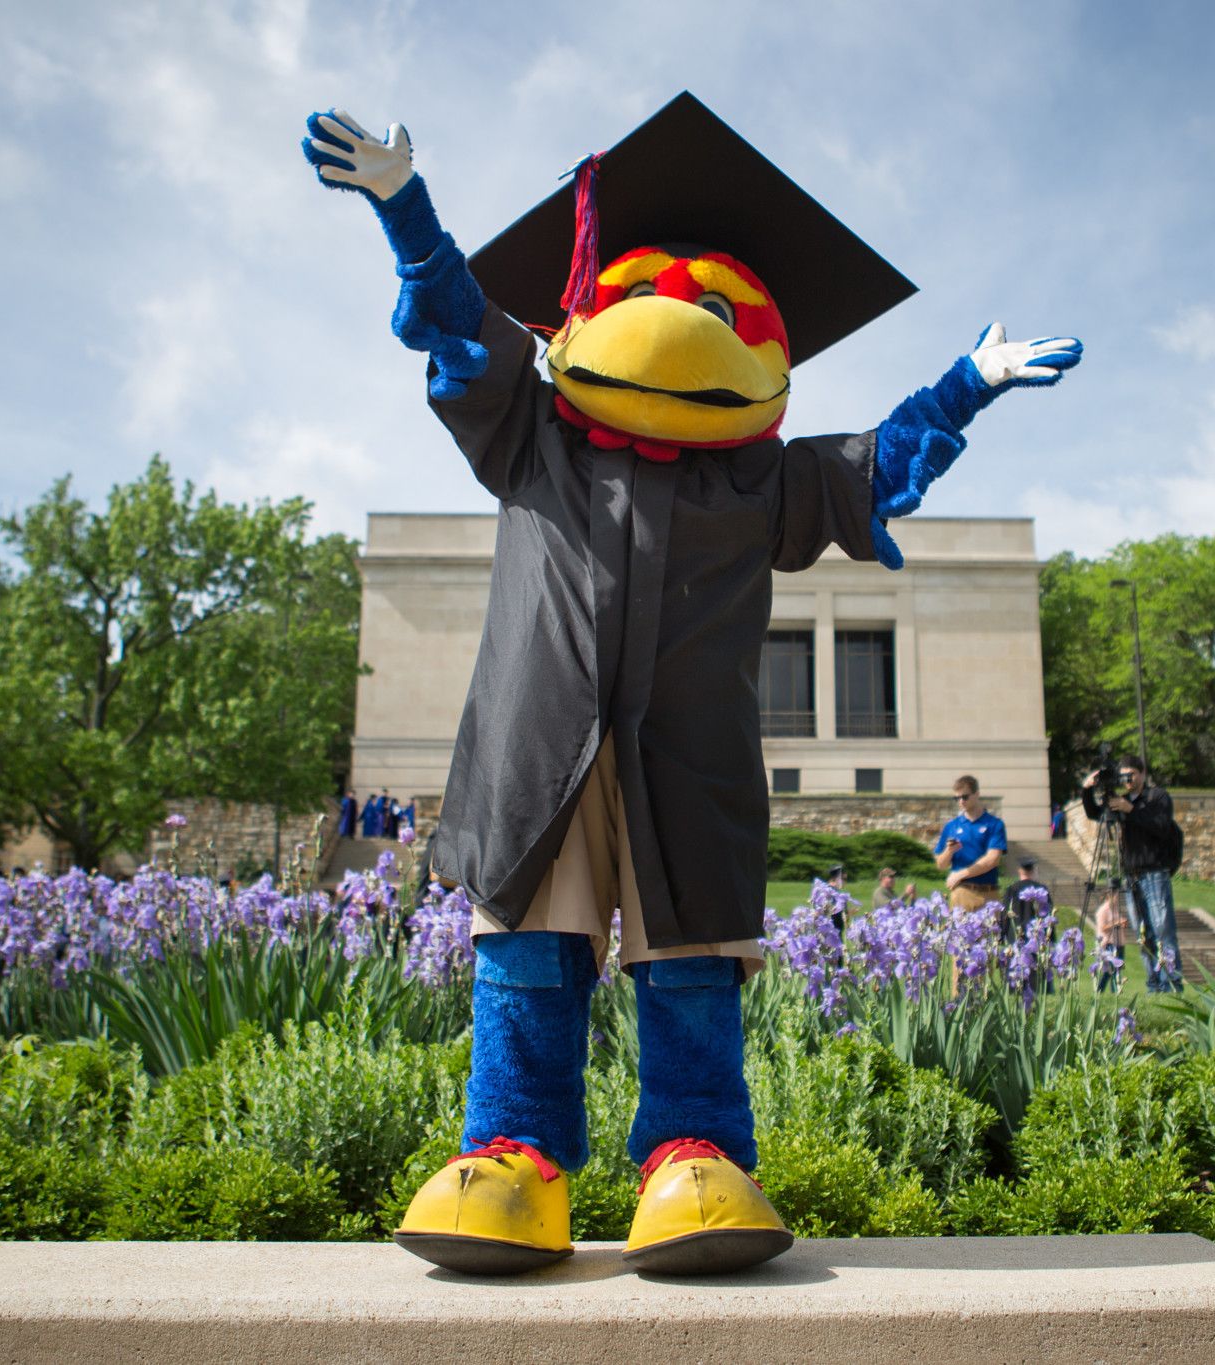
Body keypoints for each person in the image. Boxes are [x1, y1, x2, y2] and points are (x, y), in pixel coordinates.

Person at [304, 92, 1081, 1277]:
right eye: (642, 298)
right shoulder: (532, 434)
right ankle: (511, 1159)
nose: (675, 322)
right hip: (538, 754)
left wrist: (964, 383)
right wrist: (407, 212)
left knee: (688, 974)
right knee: (527, 959)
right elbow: (461, 325)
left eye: (717, 309)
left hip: (688, 769)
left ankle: (691, 1158)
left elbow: (876, 462)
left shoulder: (756, 487)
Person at [1081, 754, 1185, 992]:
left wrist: (1131, 810)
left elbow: (1161, 825)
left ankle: (1171, 982)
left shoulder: (1156, 797)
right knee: (1142, 933)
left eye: (1132, 775)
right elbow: (1095, 814)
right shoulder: (1122, 800)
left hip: (1155, 872)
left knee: (1162, 929)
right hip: (1132, 875)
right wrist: (1088, 790)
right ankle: (1153, 983)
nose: (1128, 781)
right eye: (1124, 776)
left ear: (1142, 774)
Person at [934, 775, 1008, 913]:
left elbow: (992, 859)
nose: (961, 801)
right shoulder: (952, 826)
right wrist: (949, 851)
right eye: (957, 798)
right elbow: (940, 864)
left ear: (977, 794)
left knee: (991, 935)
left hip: (989, 894)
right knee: (960, 934)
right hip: (962, 892)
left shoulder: (994, 824)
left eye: (965, 797)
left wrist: (961, 874)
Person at [999, 854, 1048, 941]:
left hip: (1015, 934)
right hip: (1036, 934)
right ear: (1033, 871)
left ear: (1020, 871)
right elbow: (1047, 912)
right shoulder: (1041, 889)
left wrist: (1002, 934)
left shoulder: (1012, 889)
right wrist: (1049, 936)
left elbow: (1005, 913)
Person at [1092, 891, 1127, 991]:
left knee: (1116, 968)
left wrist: (1122, 923)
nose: (1117, 898)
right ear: (1109, 896)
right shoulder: (1103, 910)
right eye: (1116, 896)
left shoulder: (1115, 908)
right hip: (1109, 943)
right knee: (1111, 969)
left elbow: (1118, 921)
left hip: (1119, 941)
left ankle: (1110, 990)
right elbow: (1102, 927)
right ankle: (1105, 989)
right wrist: (1117, 923)